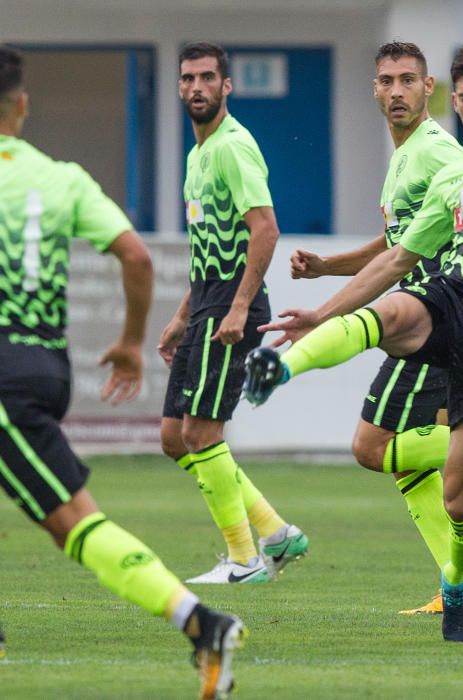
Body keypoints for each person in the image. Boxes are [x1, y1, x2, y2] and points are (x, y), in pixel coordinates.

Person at [245, 38, 463, 642]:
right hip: (450, 299)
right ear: (451, 100)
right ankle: (286, 366)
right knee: (395, 317)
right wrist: (322, 308)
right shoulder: (453, 172)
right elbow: (400, 255)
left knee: (454, 495)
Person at [0, 45, 244, 697]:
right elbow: (136, 259)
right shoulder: (60, 176)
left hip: (3, 375)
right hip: (42, 365)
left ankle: (201, 622)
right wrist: (132, 343)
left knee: (74, 523)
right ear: (22, 105)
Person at [157, 42, 308, 585]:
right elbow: (207, 249)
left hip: (231, 305)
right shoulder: (198, 156)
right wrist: (182, 315)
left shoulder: (232, 147)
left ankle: (246, 560)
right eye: (187, 79)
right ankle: (274, 532)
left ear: (226, 86)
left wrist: (239, 307)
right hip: (208, 303)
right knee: (176, 438)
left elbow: (264, 228)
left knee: (202, 432)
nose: (195, 87)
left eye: (206, 78)